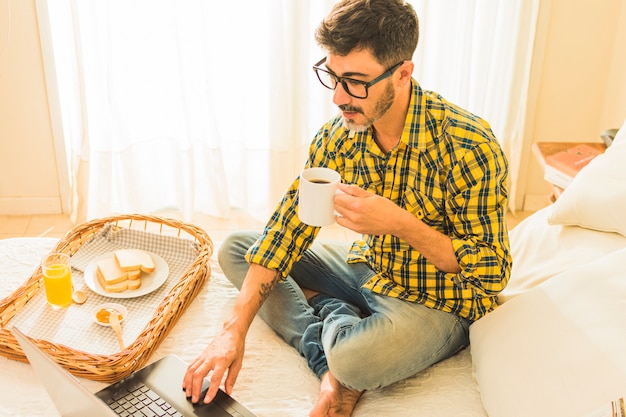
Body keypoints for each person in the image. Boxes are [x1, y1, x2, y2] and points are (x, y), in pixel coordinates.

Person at [182, 0, 511, 415]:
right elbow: (287, 228)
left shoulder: (469, 145)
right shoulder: (337, 137)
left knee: (355, 359)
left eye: (355, 81)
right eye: (333, 76)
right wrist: (233, 331)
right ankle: (334, 321)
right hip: (367, 265)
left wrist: (400, 223)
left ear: (404, 73)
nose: (338, 97)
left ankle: (334, 348)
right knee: (236, 248)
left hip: (437, 298)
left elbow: (492, 272)